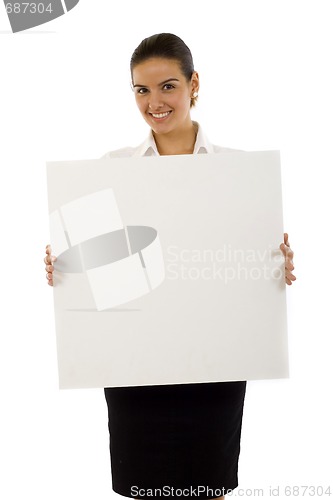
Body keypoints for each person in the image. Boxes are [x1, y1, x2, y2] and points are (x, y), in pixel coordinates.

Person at [44, 33, 296, 500]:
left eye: (168, 86)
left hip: (215, 360)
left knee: (209, 485)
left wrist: (274, 266)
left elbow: (242, 266)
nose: (154, 102)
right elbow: (101, 275)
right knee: (145, 487)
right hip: (137, 362)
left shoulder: (239, 173)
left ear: (193, 84)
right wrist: (66, 267)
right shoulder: (110, 170)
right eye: (142, 90)